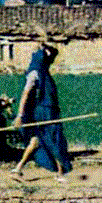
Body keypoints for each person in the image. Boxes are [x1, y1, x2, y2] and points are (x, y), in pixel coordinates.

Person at [11, 44, 72, 181]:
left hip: (46, 110)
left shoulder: (43, 71)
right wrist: (20, 115)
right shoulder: (35, 73)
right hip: (45, 112)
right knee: (55, 139)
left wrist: (47, 44)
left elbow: (54, 52)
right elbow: (25, 94)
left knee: (36, 141)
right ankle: (60, 173)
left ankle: (18, 169)